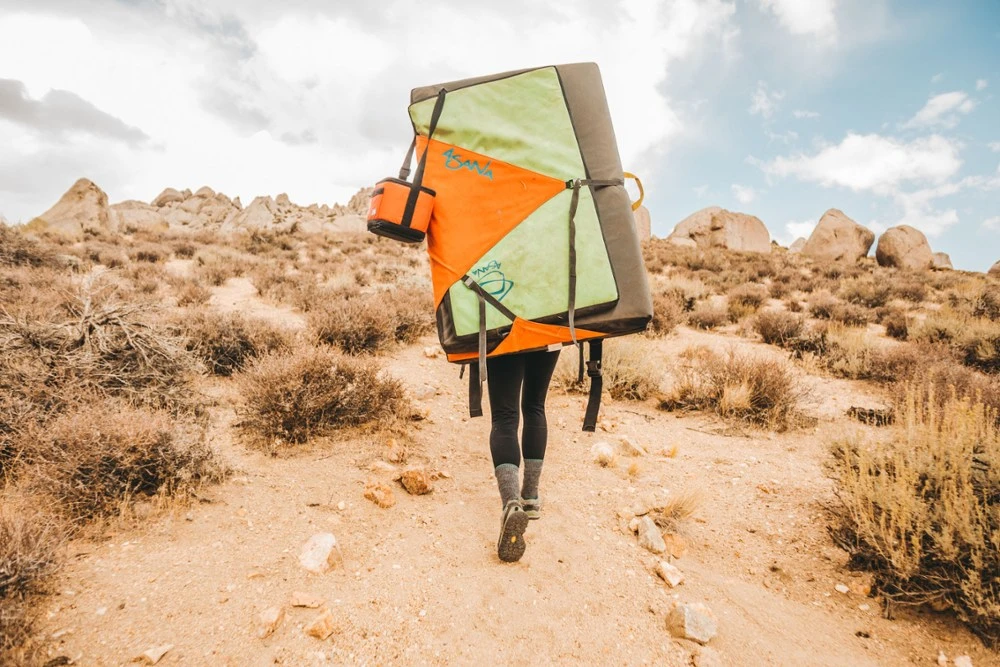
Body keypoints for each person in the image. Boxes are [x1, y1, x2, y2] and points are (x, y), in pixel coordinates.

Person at [486, 348, 561, 563]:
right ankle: (530, 496)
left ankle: (512, 503)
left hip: (504, 332)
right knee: (535, 406)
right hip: (549, 331)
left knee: (504, 417)